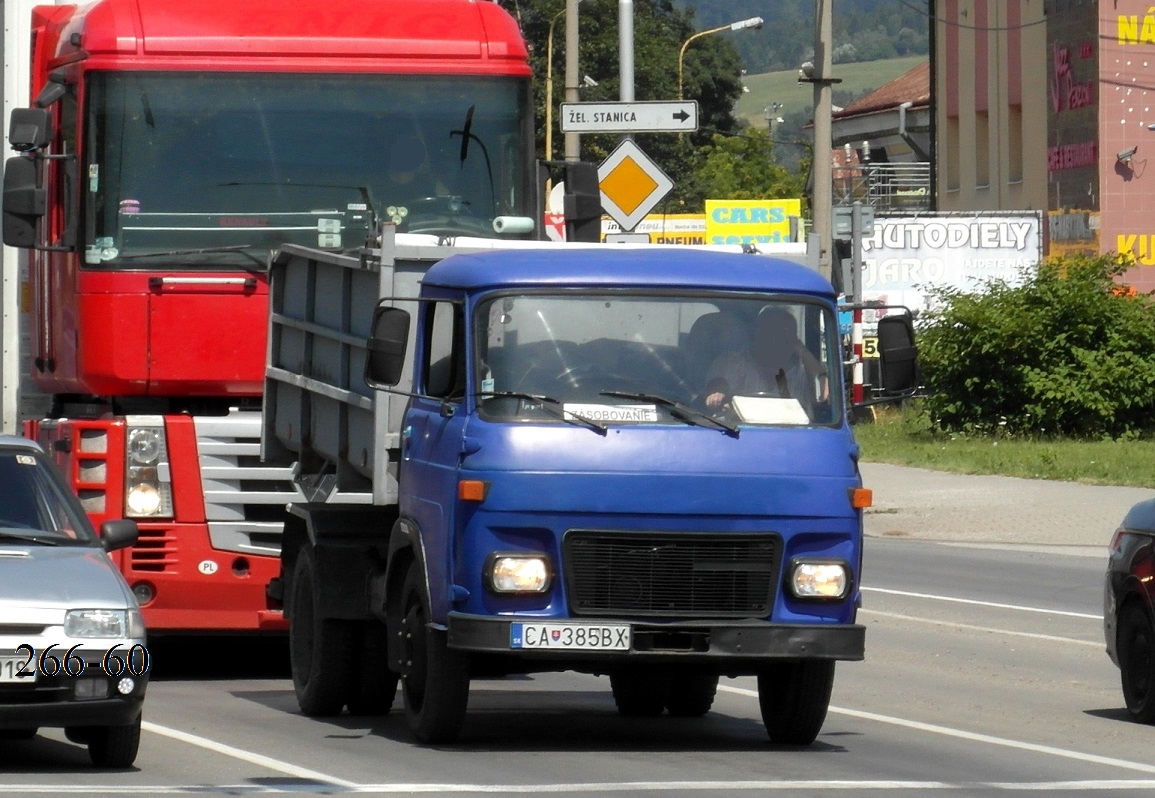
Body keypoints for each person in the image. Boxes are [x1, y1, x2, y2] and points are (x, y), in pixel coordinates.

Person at [703, 307, 827, 415]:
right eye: (772, 334)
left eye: (785, 337)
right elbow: (716, 388)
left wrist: (803, 352)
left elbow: (826, 396)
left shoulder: (800, 372)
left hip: (792, 437)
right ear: (758, 335)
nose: (777, 341)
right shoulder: (731, 363)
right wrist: (717, 396)